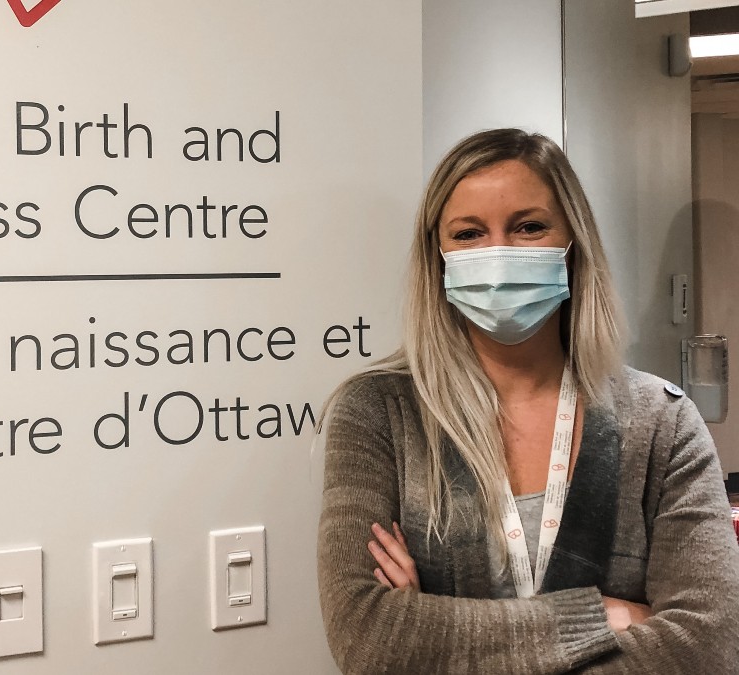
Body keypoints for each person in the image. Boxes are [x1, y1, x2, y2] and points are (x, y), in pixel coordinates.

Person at [316, 128, 739, 674]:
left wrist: (434, 629)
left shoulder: (663, 421)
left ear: (573, 244)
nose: (498, 253)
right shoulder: (376, 412)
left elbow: (707, 648)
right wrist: (604, 618)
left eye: (529, 227)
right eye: (469, 234)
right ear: (437, 256)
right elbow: (369, 641)